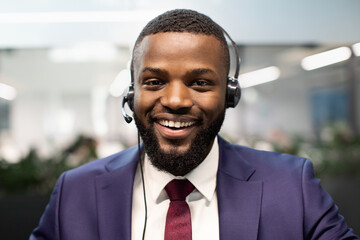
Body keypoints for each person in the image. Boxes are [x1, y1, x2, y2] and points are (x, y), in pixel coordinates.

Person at [30, 9, 359, 240]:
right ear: (132, 94)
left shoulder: (290, 186)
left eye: (200, 83)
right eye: (155, 81)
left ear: (230, 95)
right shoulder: (76, 192)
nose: (175, 100)